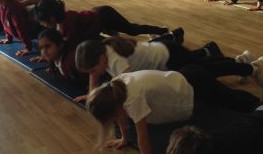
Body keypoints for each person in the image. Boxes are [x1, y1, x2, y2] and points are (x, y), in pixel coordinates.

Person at [86, 65, 261, 154]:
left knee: (232, 100)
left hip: (195, 83)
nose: (114, 121)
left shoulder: (132, 98)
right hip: (183, 78)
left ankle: (259, 103)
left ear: (115, 109)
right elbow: (120, 117)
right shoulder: (114, 91)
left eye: (111, 118)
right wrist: (124, 138)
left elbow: (143, 137)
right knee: (228, 99)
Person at [75, 37, 263, 101]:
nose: (93, 74)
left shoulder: (115, 60)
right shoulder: (100, 51)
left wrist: (99, 95)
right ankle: (241, 62)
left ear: (101, 59)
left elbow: (125, 86)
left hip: (171, 57)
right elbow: (94, 76)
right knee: (206, 66)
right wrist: (91, 94)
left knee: (207, 70)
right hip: (165, 50)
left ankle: (250, 68)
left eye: (92, 70)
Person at [33, 0, 171, 49]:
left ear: (51, 18)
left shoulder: (68, 22)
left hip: (105, 15)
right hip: (98, 19)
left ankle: (162, 31)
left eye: (43, 22)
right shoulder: (62, 21)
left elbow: (72, 43)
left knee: (132, 30)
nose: (42, 25)